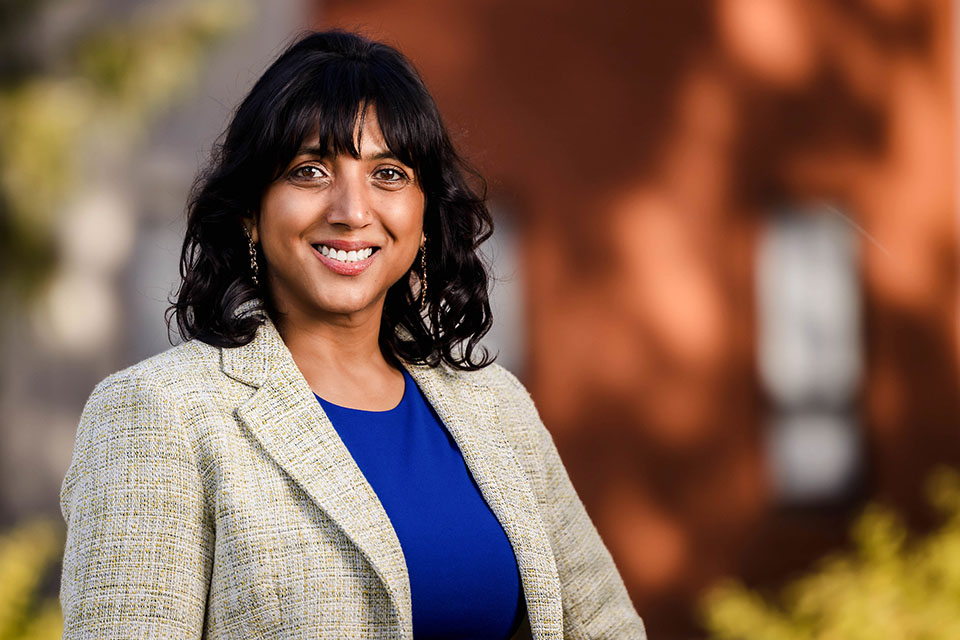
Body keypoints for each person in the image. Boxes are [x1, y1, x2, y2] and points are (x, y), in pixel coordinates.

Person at [59, 30, 647, 640]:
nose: (352, 210)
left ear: (424, 217)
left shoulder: (497, 408)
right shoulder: (155, 412)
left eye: (388, 173)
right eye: (310, 171)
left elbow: (605, 626)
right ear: (249, 213)